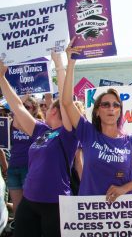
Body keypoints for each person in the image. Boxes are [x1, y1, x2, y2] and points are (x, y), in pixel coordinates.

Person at [0, 51, 79, 237]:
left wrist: (59, 64)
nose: (45, 106)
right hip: (29, 200)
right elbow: (18, 108)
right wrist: (1, 78)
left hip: (54, 204)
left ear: (54, 111)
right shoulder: (42, 131)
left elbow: (67, 101)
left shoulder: (68, 134)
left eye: (49, 105)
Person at [62, 38, 132, 202]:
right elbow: (67, 103)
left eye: (116, 105)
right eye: (105, 104)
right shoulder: (88, 132)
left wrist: (123, 189)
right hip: (93, 212)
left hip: (127, 211)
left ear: (120, 111)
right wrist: (70, 64)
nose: (111, 108)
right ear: (97, 111)